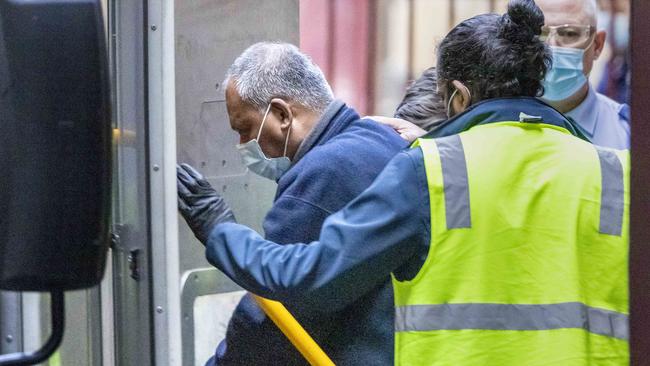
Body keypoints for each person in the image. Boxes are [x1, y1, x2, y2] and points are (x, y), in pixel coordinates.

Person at [178, 1, 629, 364]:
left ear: (458, 95)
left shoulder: (430, 171)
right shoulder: (617, 170)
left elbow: (307, 277)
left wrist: (220, 229)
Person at [191, 42, 407, 366]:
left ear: (281, 114)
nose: (241, 145)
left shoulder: (322, 175)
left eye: (245, 129)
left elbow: (272, 316)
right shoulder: (381, 140)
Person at [537, 0, 630, 149]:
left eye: (569, 33)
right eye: (539, 33)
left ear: (597, 45)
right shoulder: (496, 129)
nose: (552, 47)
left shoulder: (627, 134)